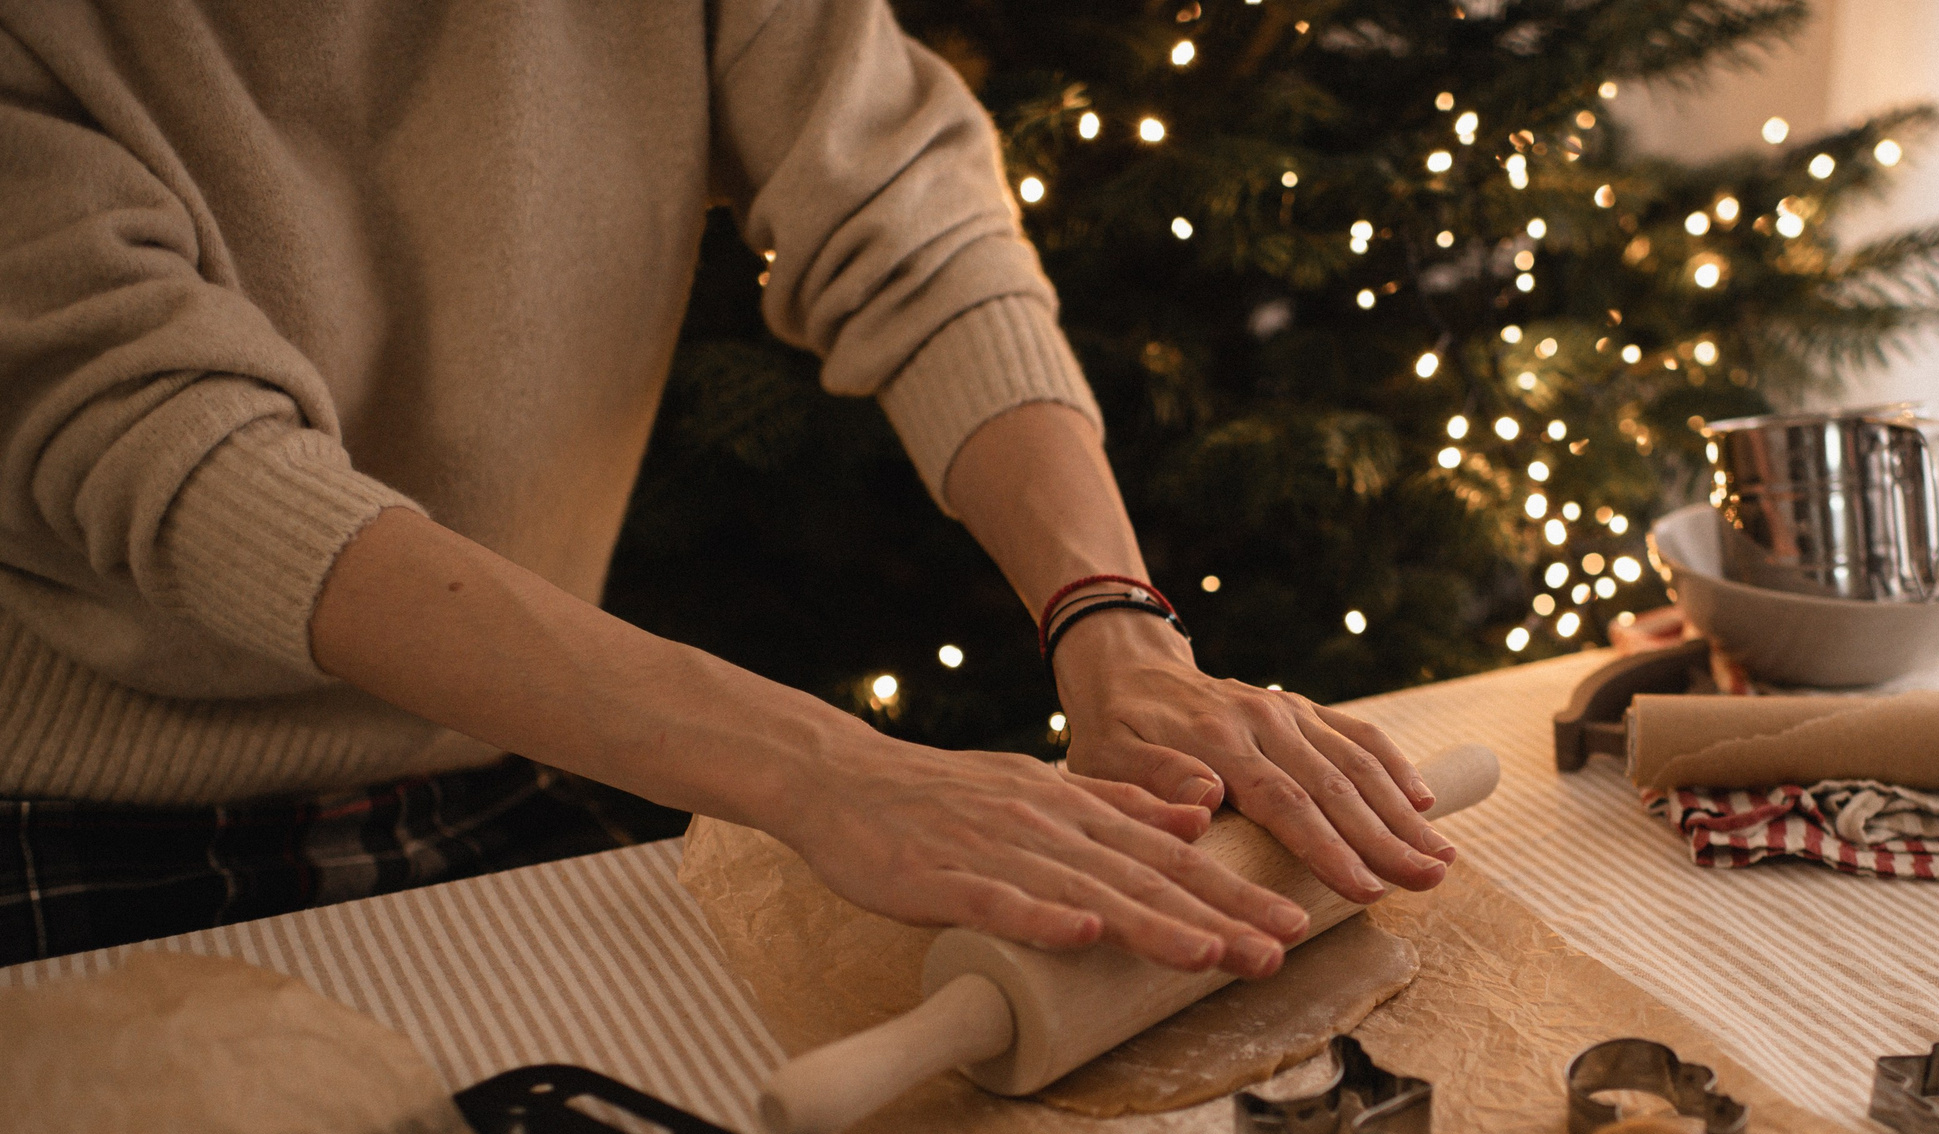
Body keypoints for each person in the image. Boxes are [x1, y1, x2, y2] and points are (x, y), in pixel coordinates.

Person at [0, 1, 1455, 971]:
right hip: (77, 836)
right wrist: (827, 772)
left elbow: (912, 227)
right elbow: (187, 467)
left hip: (501, 776)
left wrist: (1117, 629)